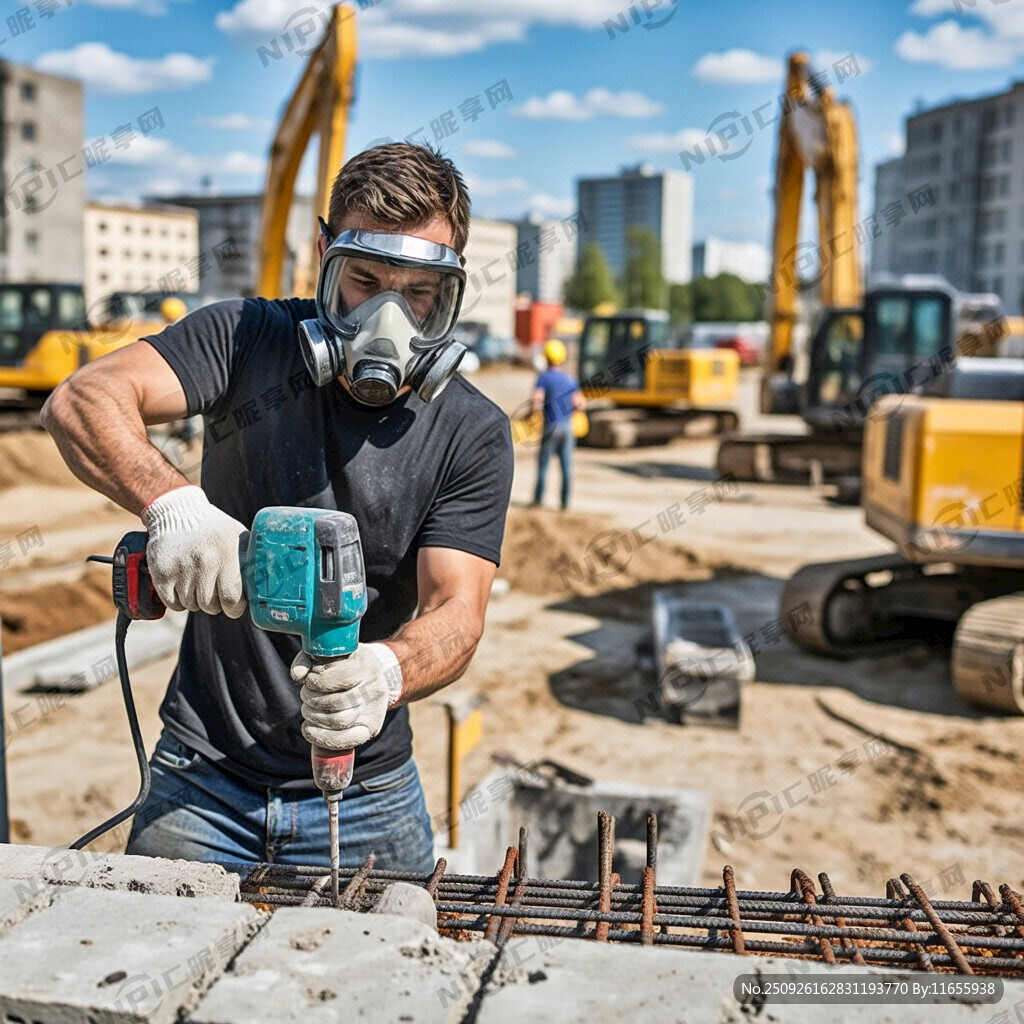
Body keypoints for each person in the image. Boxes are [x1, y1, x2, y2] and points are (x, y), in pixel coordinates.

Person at [41, 143, 514, 872]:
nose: (387, 316)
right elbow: (83, 399)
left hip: (367, 790)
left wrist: (384, 672)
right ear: (322, 253)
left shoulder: (471, 430)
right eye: (363, 281)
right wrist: (172, 506)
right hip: (201, 781)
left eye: (418, 293)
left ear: (452, 286)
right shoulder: (245, 340)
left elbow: (458, 610)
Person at [531, 338, 583, 510]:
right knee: (566, 467)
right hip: (567, 428)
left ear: (546, 357)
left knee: (543, 464)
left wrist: (535, 416)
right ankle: (565, 503)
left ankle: (538, 500)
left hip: (550, 426)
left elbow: (537, 399)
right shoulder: (570, 379)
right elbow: (579, 404)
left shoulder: (544, 378)